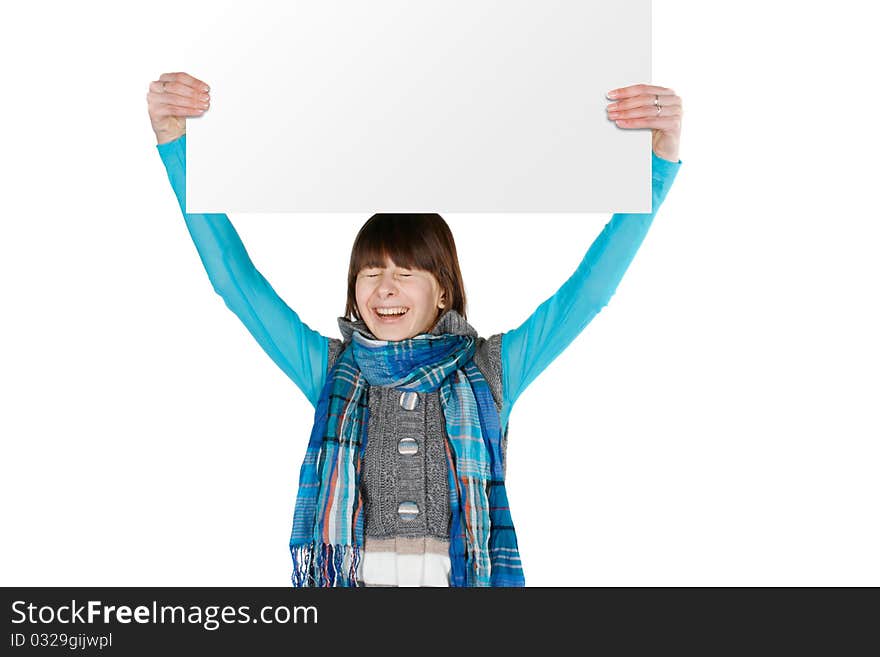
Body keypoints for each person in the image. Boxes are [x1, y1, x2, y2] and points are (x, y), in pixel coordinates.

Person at [146, 71, 683, 587]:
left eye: (405, 274)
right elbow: (236, 283)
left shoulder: (491, 369)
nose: (384, 288)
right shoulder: (333, 369)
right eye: (371, 273)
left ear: (443, 290)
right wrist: (176, 142)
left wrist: (658, 162)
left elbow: (587, 293)